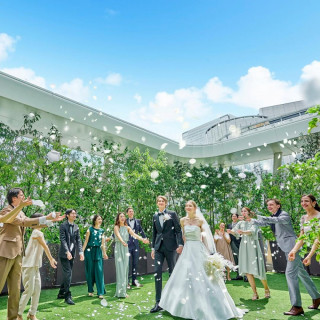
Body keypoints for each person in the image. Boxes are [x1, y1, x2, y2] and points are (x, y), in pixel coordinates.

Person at [159, 200, 246, 320]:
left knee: (203, 275)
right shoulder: (183, 220)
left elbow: (205, 238)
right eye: (186, 206)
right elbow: (183, 236)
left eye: (190, 206)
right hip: (187, 250)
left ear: (195, 208)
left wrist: (209, 254)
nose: (188, 207)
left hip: (198, 248)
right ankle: (181, 306)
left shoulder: (200, 221)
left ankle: (210, 306)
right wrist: (181, 246)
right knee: (184, 275)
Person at [0, 188, 61, 320]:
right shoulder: (6, 210)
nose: (24, 197)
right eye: (21, 195)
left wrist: (50, 219)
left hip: (18, 254)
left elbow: (29, 222)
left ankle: (13, 318)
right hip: (5, 252)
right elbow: (23, 222)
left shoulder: (21, 212)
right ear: (14, 198)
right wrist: (45, 218)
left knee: (15, 291)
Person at [253, 198, 320, 316]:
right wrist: (250, 219)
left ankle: (297, 306)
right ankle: (317, 297)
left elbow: (275, 220)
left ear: (278, 206)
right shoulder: (275, 217)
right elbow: (265, 223)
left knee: (290, 273)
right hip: (288, 249)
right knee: (301, 273)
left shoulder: (283, 215)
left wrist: (258, 215)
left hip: (292, 247)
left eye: (271, 204)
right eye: (268, 205)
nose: (269, 207)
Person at [17, 213, 59, 320]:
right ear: (37, 221)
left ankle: (32, 313)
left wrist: (54, 220)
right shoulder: (36, 233)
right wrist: (51, 259)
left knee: (37, 289)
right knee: (29, 290)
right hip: (28, 266)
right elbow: (45, 246)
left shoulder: (38, 231)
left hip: (35, 266)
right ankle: (19, 314)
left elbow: (45, 224)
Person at [150, 195, 184, 313]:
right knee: (157, 273)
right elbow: (154, 233)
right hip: (158, 248)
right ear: (157, 203)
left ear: (166, 203)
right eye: (158, 201)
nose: (160, 202)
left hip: (171, 247)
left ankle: (173, 302)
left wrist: (180, 244)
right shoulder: (155, 216)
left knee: (172, 273)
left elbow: (178, 230)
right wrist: (153, 248)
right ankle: (158, 302)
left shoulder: (172, 214)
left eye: (162, 201)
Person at [228, 207, 270, 300]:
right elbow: (235, 231)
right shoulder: (240, 223)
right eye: (242, 211)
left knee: (258, 268)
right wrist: (230, 231)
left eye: (245, 211)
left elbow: (252, 231)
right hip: (244, 246)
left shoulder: (253, 221)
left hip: (253, 246)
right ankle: (255, 293)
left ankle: (266, 289)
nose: (243, 213)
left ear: (249, 212)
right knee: (247, 270)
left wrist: (243, 232)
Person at [114, 212, 149, 298]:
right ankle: (120, 292)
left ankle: (123, 291)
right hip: (119, 247)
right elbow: (117, 235)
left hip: (125, 248)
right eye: (120, 216)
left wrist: (142, 239)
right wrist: (122, 241)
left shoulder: (127, 227)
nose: (122, 218)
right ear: (118, 218)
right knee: (120, 269)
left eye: (123, 216)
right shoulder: (116, 227)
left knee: (125, 269)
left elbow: (134, 235)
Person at [57, 209, 84, 305]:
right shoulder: (63, 226)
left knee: (68, 274)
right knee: (68, 273)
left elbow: (78, 240)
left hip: (72, 254)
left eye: (75, 213)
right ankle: (67, 296)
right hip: (64, 254)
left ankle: (61, 292)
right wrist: (67, 251)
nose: (74, 215)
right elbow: (63, 240)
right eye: (72, 213)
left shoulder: (76, 227)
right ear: (67, 215)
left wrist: (81, 252)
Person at [289, 195, 320, 267]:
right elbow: (302, 237)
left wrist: (309, 256)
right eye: (302, 201)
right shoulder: (303, 218)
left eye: (306, 201)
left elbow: (318, 239)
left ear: (313, 203)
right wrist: (293, 251)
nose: (303, 203)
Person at [82, 214, 108, 299]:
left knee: (99, 272)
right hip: (89, 251)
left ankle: (100, 292)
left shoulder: (102, 231)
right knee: (90, 271)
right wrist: (81, 252)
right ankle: (90, 290)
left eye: (101, 219)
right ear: (95, 220)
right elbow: (86, 241)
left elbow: (103, 244)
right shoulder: (89, 230)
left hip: (98, 252)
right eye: (98, 219)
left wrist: (104, 253)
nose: (100, 220)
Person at [126, 207, 146, 288]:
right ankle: (127, 282)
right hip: (127, 245)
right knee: (127, 264)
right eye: (129, 211)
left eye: (132, 211)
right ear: (127, 213)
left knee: (135, 263)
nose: (131, 212)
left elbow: (141, 231)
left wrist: (144, 238)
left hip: (135, 245)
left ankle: (134, 281)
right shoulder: (124, 221)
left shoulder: (137, 221)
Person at [227, 213, 243, 280]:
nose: (233, 217)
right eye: (232, 216)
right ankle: (238, 275)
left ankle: (244, 275)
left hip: (239, 243)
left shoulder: (240, 224)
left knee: (241, 259)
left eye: (235, 216)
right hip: (231, 243)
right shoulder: (229, 225)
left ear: (237, 217)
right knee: (235, 259)